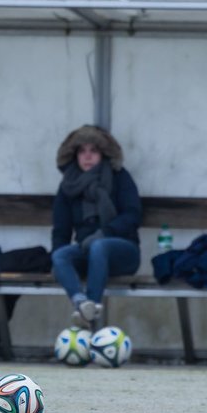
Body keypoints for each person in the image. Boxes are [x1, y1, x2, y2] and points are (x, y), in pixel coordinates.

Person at [49, 125, 141, 330]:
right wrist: (57, 263)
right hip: (85, 249)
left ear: (103, 153)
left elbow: (133, 215)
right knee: (60, 255)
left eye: (93, 151)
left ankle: (88, 319)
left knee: (99, 246)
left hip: (122, 250)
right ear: (74, 155)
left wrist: (104, 233)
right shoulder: (68, 185)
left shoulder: (119, 177)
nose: (87, 157)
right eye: (82, 151)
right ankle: (83, 304)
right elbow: (61, 229)